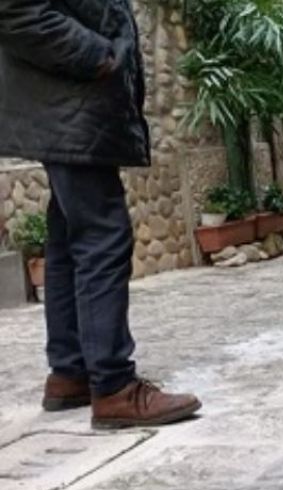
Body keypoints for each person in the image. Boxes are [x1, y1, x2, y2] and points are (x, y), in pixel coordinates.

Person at [0, 0, 200, 429]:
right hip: (68, 101)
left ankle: (70, 372)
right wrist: (99, 56)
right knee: (102, 235)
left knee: (68, 237)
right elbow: (19, 12)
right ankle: (113, 387)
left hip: (68, 104)